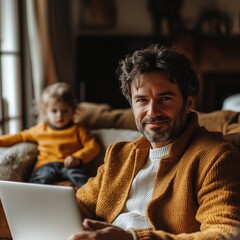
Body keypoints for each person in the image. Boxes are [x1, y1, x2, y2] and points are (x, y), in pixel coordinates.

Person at [67, 44, 240, 240]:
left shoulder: (216, 157)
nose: (152, 112)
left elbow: (225, 234)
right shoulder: (119, 154)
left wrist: (133, 238)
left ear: (188, 103)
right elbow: (78, 206)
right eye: (141, 100)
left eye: (164, 99)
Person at [0, 82, 101, 188]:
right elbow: (19, 136)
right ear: (46, 112)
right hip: (45, 165)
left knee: (83, 181)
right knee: (38, 182)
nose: (60, 115)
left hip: (69, 166)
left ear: (73, 111)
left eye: (65, 110)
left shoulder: (78, 129)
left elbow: (93, 146)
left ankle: (90, 200)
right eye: (54, 111)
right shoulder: (40, 129)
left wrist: (77, 157)